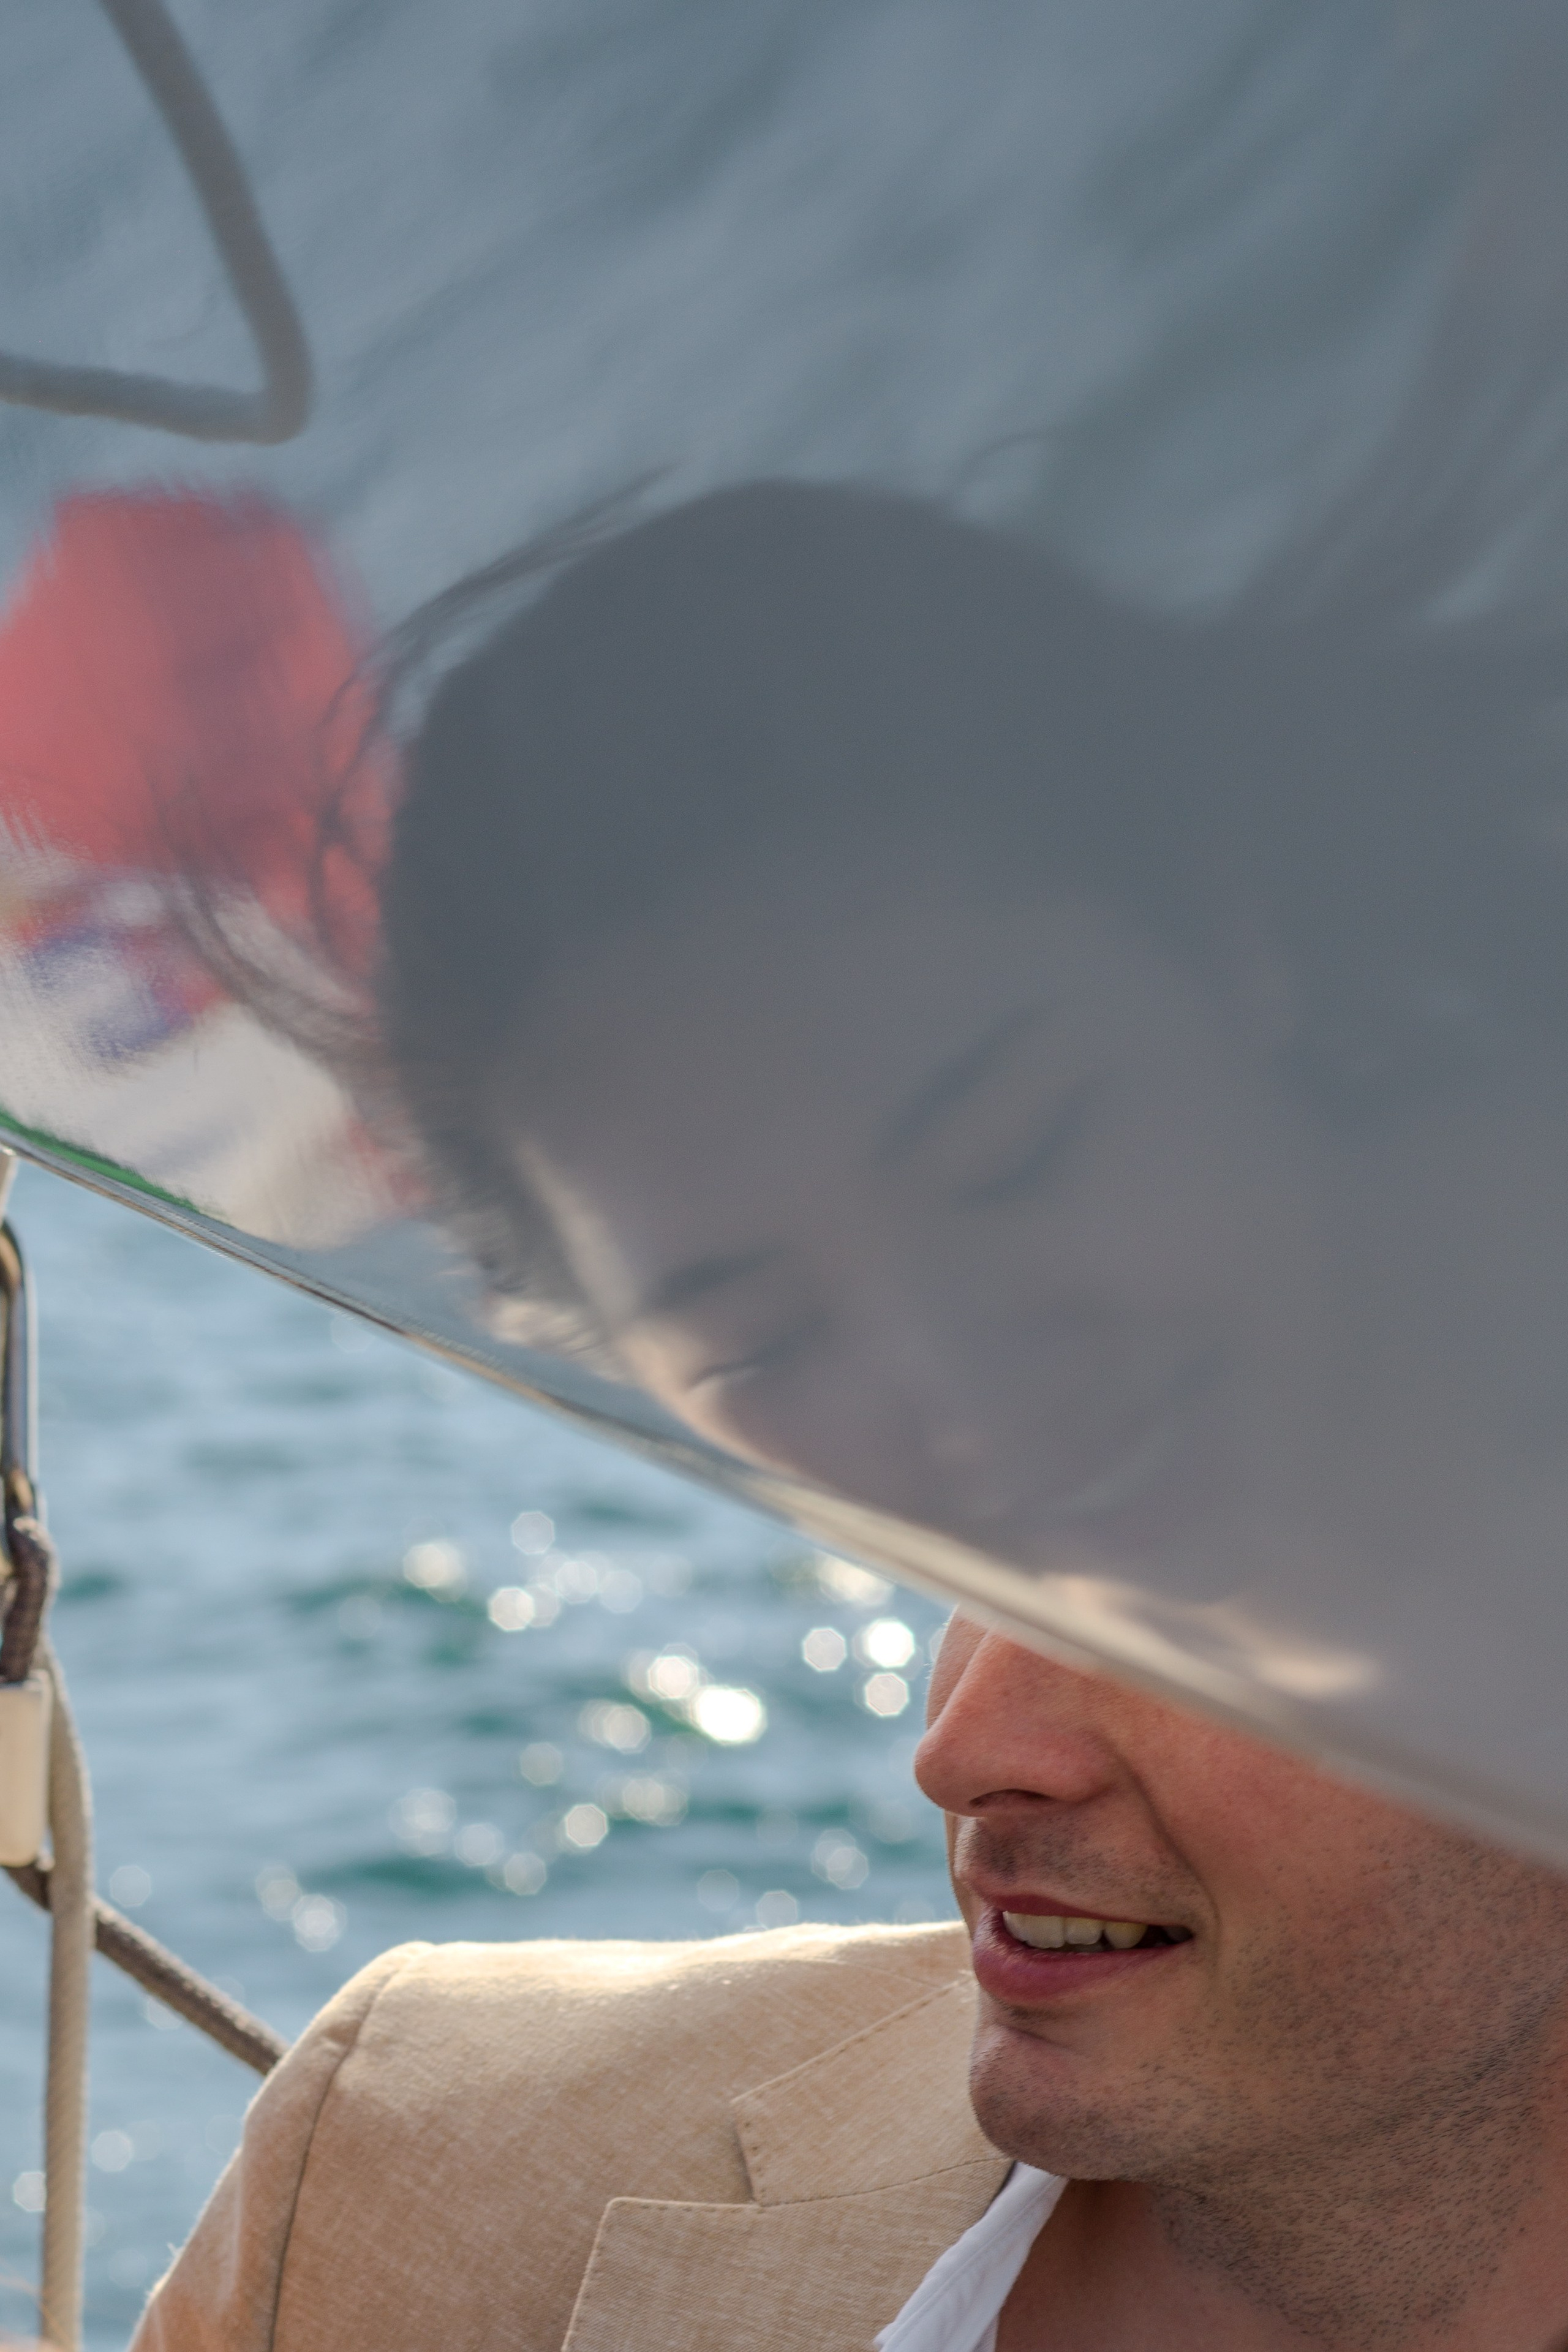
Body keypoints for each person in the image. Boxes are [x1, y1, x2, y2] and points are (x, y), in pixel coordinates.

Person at [134, 483, 1568, 2349]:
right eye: (752, 1334)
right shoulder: (410, 2182)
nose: (963, 1751)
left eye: (1018, 1152)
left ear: (1238, 949)